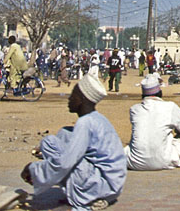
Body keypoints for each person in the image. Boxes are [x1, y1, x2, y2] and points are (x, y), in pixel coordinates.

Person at [22, 69, 126, 210]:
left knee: (50, 145)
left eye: (73, 95)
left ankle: (85, 197)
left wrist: (34, 171)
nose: (69, 99)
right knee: (64, 134)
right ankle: (85, 193)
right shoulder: (98, 119)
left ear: (81, 99)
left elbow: (65, 163)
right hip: (113, 186)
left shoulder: (86, 123)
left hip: (103, 185)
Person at [125, 74, 180, 171]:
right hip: (163, 161)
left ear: (142, 95)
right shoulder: (170, 107)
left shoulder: (134, 110)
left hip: (134, 162)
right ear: (160, 93)